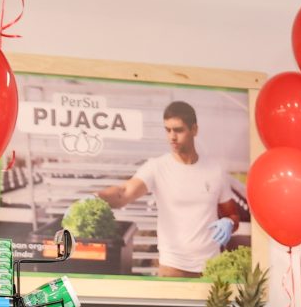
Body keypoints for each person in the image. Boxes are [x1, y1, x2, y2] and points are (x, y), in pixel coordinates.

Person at [94, 99, 243, 277]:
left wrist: (229, 223)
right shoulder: (156, 167)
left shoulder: (215, 171)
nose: (172, 137)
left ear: (194, 129)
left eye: (178, 130)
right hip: (173, 267)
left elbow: (232, 215)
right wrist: (97, 198)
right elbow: (124, 193)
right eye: (168, 130)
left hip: (211, 269)